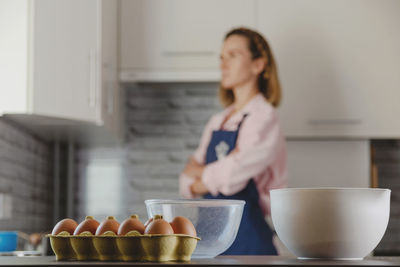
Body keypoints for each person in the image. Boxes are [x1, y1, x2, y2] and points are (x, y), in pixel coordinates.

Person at [179, 27, 287, 255]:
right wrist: (204, 175)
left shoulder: (264, 116)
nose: (223, 64)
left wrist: (201, 173)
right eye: (221, 57)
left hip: (250, 242)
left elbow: (232, 177)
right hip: (209, 240)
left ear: (258, 65)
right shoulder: (217, 121)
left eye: (233, 55)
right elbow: (186, 180)